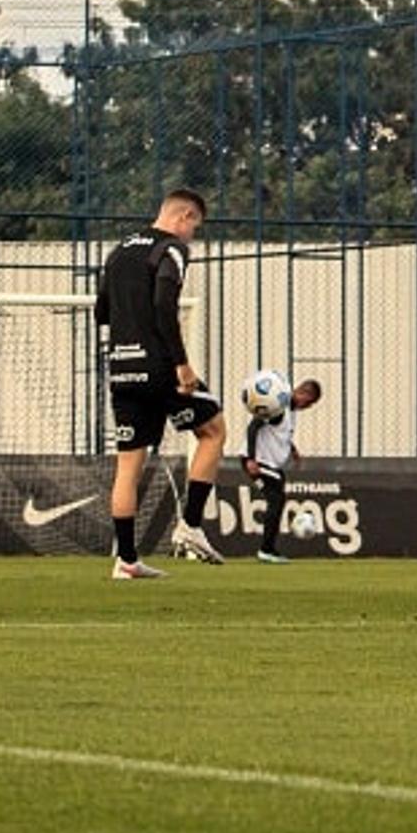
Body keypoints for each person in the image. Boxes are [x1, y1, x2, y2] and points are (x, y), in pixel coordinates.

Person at [96, 187, 227, 579]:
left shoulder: (118, 252)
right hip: (158, 367)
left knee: (128, 466)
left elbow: (102, 311)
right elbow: (163, 305)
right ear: (183, 217)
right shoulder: (170, 250)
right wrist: (182, 365)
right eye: (195, 228)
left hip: (121, 367)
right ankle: (190, 526)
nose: (192, 236)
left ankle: (127, 561)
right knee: (214, 430)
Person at [244, 379, 323, 564]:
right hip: (258, 461)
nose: (308, 407)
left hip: (267, 463)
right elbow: (253, 426)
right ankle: (266, 550)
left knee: (277, 497)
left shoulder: (290, 411)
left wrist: (292, 449)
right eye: (309, 402)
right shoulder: (279, 407)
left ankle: (268, 549)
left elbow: (279, 432)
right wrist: (250, 458)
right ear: (303, 393)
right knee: (276, 498)